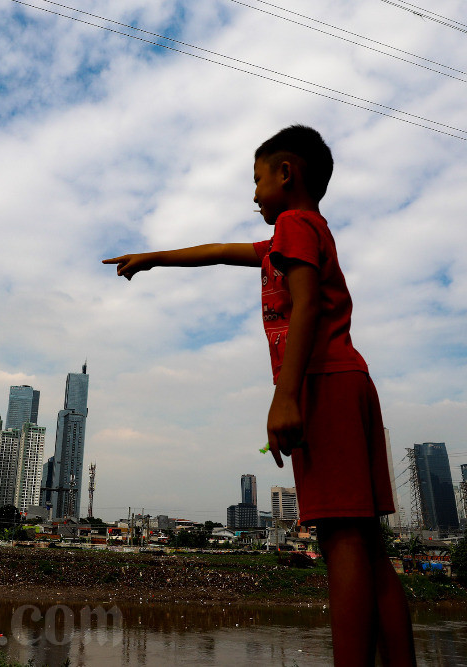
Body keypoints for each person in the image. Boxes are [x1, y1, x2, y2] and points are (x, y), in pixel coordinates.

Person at [103, 125, 415, 666]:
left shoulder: (294, 223)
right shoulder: (303, 230)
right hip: (350, 380)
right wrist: (153, 256)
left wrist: (286, 396)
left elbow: (307, 307)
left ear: (285, 173)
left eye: (257, 180)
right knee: (368, 547)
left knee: (341, 542)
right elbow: (222, 251)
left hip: (322, 383)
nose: (252, 194)